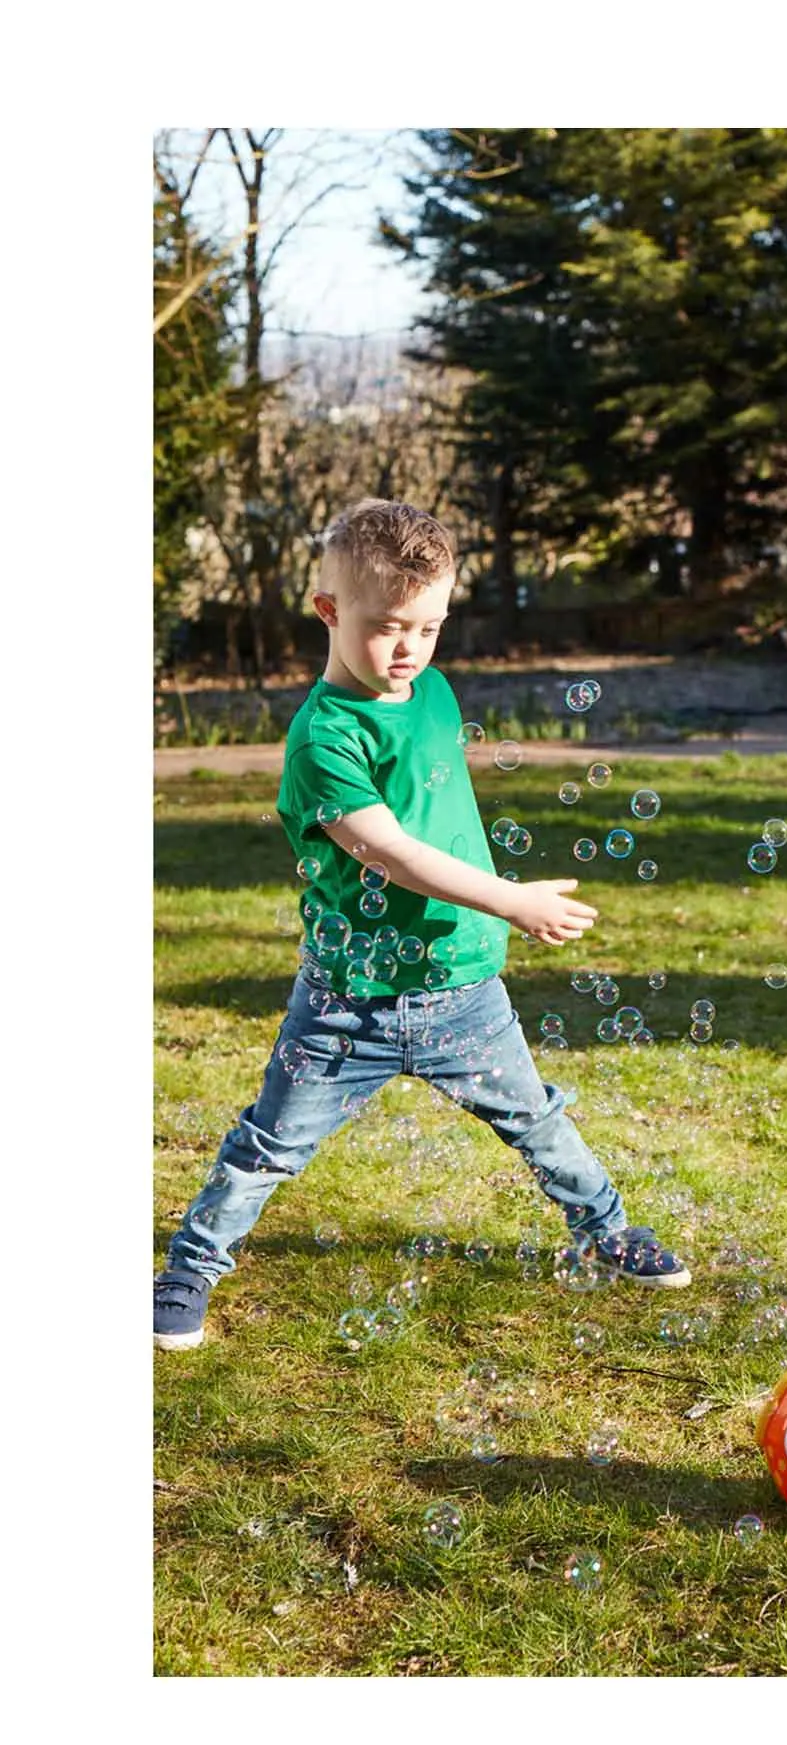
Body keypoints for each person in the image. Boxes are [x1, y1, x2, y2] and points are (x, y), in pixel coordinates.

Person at [154, 498, 690, 1350]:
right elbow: (393, 853)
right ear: (328, 612)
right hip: (349, 999)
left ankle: (608, 1228)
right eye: (387, 626)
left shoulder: (433, 693)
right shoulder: (321, 737)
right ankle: (188, 1270)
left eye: (429, 626)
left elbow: (435, 803)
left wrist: (487, 917)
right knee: (270, 1143)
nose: (409, 649)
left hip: (463, 988)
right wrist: (511, 898)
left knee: (537, 1120)